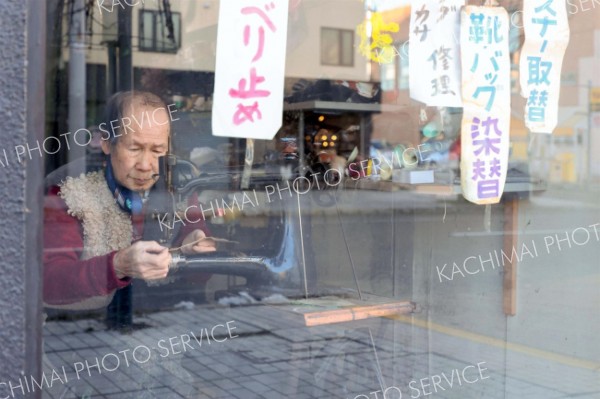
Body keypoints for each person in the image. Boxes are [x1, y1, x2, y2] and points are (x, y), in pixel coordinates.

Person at [43, 91, 215, 310]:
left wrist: (196, 245)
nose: (146, 164)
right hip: (86, 326)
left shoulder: (178, 185)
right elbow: (48, 281)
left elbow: (202, 275)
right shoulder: (67, 190)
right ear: (106, 143)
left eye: (157, 150)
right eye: (134, 148)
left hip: (167, 319)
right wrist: (117, 266)